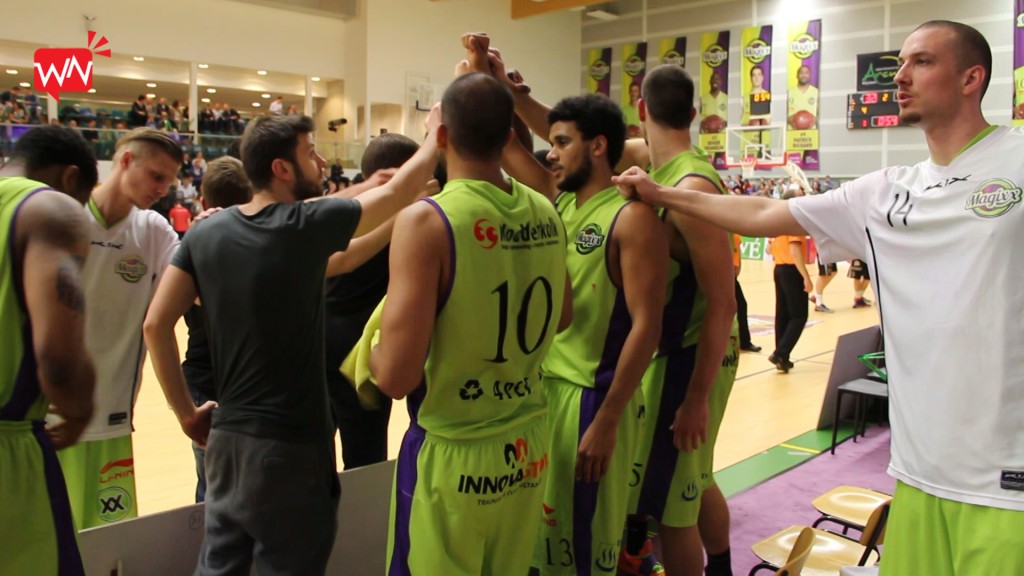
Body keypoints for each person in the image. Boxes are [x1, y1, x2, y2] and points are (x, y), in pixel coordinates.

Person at [613, 20, 1024, 575]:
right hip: (918, 474)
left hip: (1006, 485)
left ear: (972, 78)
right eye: (901, 63)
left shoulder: (1016, 159)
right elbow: (762, 212)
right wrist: (660, 193)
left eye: (922, 62)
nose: (900, 76)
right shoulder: (883, 191)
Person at [143, 112, 439, 575]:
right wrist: (437, 133)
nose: (321, 163)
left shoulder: (205, 231)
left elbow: (156, 325)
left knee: (220, 566)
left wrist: (186, 413)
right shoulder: (302, 227)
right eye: (310, 153)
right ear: (281, 168)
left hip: (228, 444)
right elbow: (398, 193)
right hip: (292, 450)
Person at [479, 40, 669, 574]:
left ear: (599, 146)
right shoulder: (560, 201)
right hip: (548, 393)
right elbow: (507, 152)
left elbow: (647, 326)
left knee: (584, 547)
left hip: (595, 398)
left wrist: (608, 419)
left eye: (562, 142)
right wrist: (492, 82)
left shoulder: (631, 218)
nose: (551, 153)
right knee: (545, 540)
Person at [372, 71, 571, 576]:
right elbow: (564, 315)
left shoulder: (427, 220)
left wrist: (371, 349)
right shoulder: (546, 209)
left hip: (454, 453)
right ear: (507, 138)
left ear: (440, 135)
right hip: (528, 447)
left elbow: (395, 378)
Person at [614, 65, 738, 576]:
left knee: (671, 512)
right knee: (694, 479)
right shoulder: (654, 162)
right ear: (693, 114)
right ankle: (723, 567)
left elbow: (724, 302)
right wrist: (515, 97)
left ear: (641, 110)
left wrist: (695, 399)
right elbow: (579, 136)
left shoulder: (691, 185)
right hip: (679, 349)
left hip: (692, 354)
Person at [57, 128, 183, 531]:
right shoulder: (61, 216)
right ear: (126, 160)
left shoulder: (154, 230)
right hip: (47, 416)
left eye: (169, 182)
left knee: (109, 540)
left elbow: (196, 289)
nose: (162, 190)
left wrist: (214, 236)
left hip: (111, 415)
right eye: (156, 176)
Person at [0, 126, 98, 576]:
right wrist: (79, 411)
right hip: (10, 453)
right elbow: (59, 359)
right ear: (70, 178)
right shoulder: (50, 208)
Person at [324, 133, 419, 470]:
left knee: (315, 454)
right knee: (365, 457)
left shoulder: (337, 207)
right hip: (360, 353)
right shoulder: (406, 218)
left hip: (318, 340)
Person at [178, 156, 254, 503]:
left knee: (212, 482)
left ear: (203, 200)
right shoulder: (259, 246)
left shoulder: (193, 246)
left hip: (205, 379)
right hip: (243, 379)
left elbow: (159, 319)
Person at [767, 188, 811, 373]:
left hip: (779, 268)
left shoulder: (777, 221)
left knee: (783, 313)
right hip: (792, 270)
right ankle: (780, 353)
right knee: (799, 315)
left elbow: (769, 249)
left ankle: (782, 356)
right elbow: (795, 251)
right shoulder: (793, 221)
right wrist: (806, 277)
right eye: (801, 196)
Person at [786, 65, 819, 129]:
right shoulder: (789, 93)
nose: (804, 75)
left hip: (811, 131)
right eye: (801, 73)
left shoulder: (816, 92)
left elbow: (821, 113)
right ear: (797, 75)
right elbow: (782, 114)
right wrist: (790, 120)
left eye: (806, 73)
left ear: (809, 75)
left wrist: (813, 120)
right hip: (792, 131)